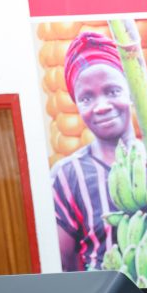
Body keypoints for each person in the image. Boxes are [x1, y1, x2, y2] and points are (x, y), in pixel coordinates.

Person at [51, 31, 134, 271]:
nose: (102, 106)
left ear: (130, 90)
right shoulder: (67, 175)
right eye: (87, 98)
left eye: (112, 91)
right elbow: (64, 264)